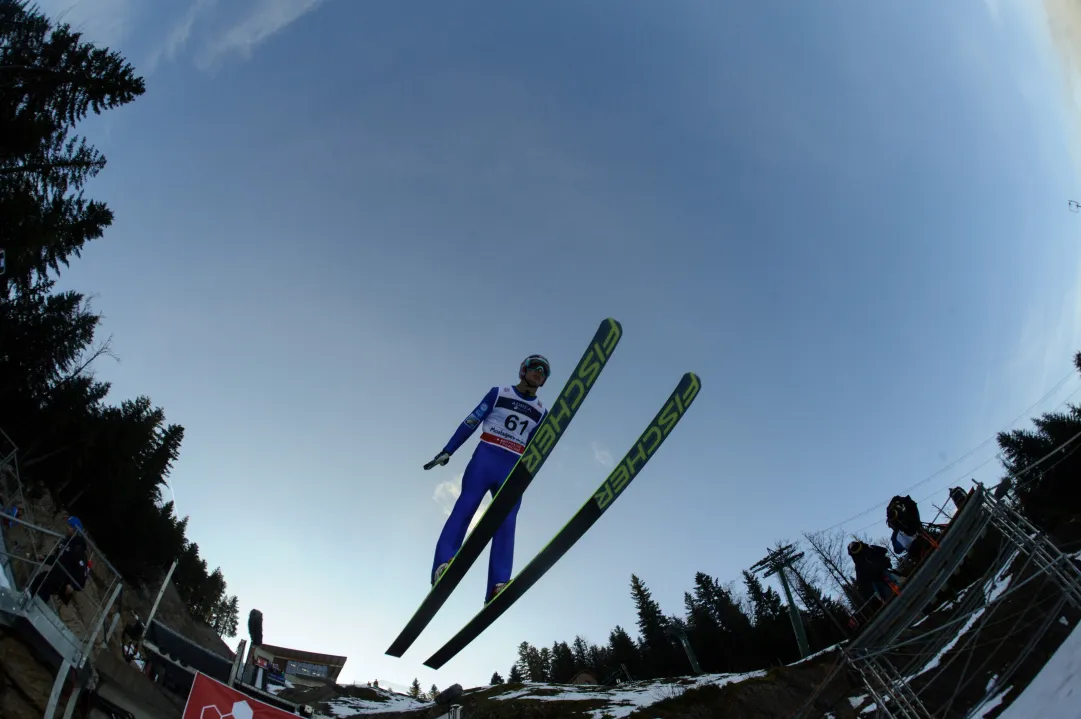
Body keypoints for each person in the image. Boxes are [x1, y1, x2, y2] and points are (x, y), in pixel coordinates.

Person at [425, 354, 550, 603]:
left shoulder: (541, 411)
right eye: (534, 366)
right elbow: (472, 420)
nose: (539, 371)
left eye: (544, 371)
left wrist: (528, 475)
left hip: (513, 466)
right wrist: (449, 449)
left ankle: (498, 585)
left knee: (507, 521)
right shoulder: (499, 393)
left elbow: (537, 446)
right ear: (523, 370)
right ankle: (443, 564)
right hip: (486, 457)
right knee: (466, 506)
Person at [28, 515, 89, 605]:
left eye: (70, 526)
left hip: (63, 580)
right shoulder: (64, 542)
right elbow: (57, 558)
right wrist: (45, 558)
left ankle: (36, 607)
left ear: (75, 530)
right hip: (55, 574)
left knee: (45, 585)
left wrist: (73, 585)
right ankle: (29, 601)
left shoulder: (78, 549)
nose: (67, 528)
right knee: (38, 579)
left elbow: (82, 572)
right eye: (68, 526)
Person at [848, 540, 905, 605]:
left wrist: (883, 560)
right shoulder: (859, 563)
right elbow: (861, 580)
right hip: (877, 579)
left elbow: (883, 550)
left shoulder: (869, 549)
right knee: (887, 593)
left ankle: (899, 593)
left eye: (856, 546)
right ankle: (891, 601)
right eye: (854, 548)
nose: (856, 548)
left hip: (882, 573)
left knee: (896, 585)